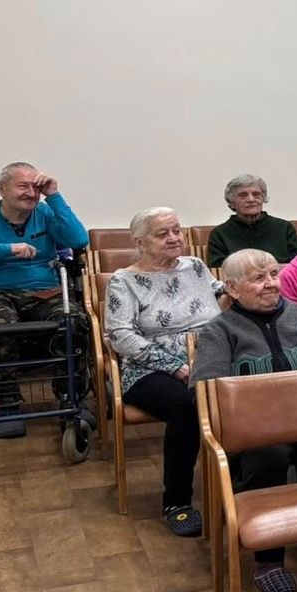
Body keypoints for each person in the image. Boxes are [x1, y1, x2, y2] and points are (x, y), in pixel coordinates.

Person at [191, 249, 297, 592]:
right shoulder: (219, 330)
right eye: (258, 278)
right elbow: (205, 388)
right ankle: (268, 559)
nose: (270, 284)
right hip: (253, 430)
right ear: (232, 289)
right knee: (269, 457)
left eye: (273, 275)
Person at [103, 208, 217, 536]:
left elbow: (222, 293)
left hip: (209, 358)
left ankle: (243, 483)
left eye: (177, 230)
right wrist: (175, 366)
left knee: (250, 389)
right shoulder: (124, 281)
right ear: (140, 242)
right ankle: (177, 502)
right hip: (148, 369)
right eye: (162, 233)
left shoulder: (195, 267)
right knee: (186, 405)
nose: (173, 238)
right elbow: (120, 335)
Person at [0, 162, 88, 438]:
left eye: (36, 187)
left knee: (73, 322)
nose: (31, 193)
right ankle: (9, 403)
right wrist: (8, 249)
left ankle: (70, 397)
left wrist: (54, 195)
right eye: (23, 186)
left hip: (43, 289)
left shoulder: (44, 212)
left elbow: (78, 239)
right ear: (2, 188)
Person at [206, 174, 297, 268]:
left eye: (256, 194)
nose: (251, 199)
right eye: (243, 195)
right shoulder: (220, 234)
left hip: (281, 277)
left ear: (263, 198)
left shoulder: (284, 228)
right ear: (231, 202)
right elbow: (217, 269)